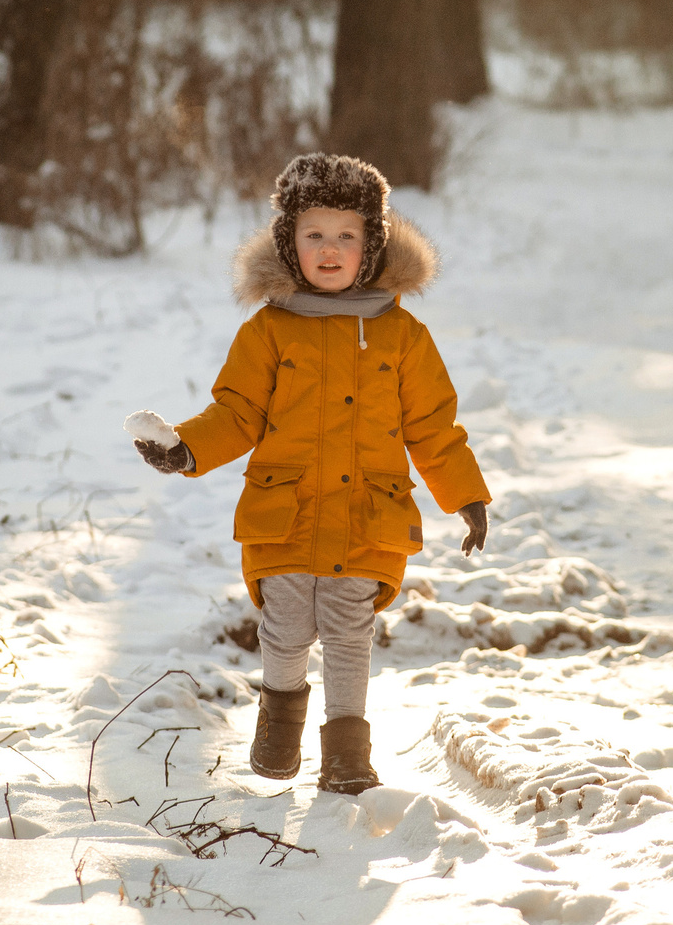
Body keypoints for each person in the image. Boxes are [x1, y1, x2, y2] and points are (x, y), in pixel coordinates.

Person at [126, 153, 490, 795]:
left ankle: (348, 752)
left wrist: (464, 494)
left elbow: (431, 424)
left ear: (371, 244)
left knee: (351, 635)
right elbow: (237, 413)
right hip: (285, 512)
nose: (330, 250)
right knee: (287, 629)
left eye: (347, 235)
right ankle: (280, 718)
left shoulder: (401, 335)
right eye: (314, 235)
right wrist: (186, 450)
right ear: (289, 245)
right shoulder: (269, 331)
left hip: (366, 517)